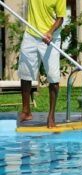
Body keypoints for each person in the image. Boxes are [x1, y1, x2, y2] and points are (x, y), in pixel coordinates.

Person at [18, 0, 66, 128]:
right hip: (30, 35)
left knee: (53, 78)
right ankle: (26, 111)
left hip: (51, 38)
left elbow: (60, 19)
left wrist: (50, 32)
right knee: (25, 73)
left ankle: (51, 116)